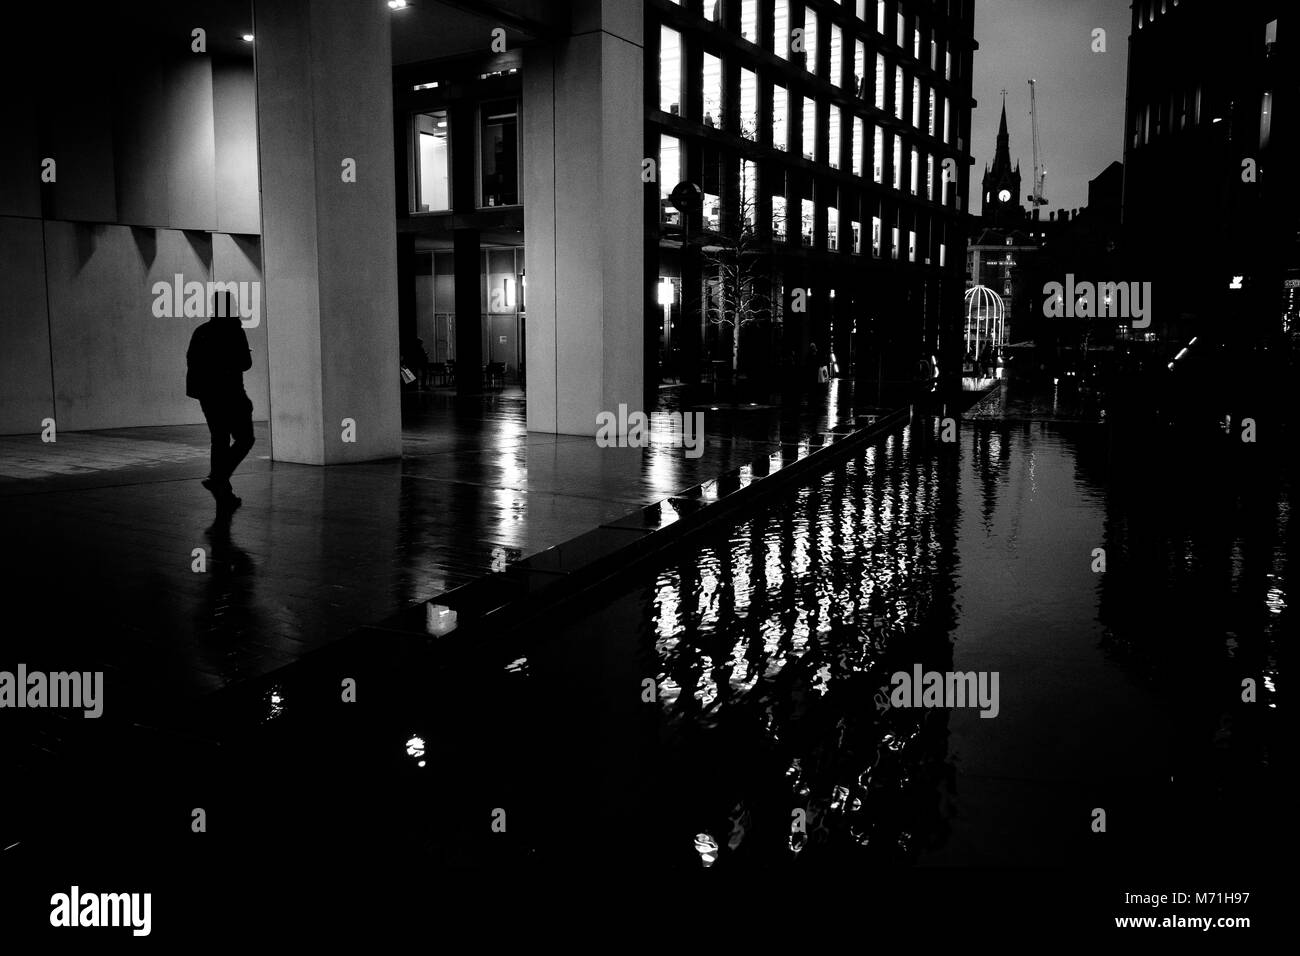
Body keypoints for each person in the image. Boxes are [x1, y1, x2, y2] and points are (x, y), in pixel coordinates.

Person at [186, 292, 254, 508]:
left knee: (220, 439)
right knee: (245, 439)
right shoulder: (235, 331)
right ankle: (219, 478)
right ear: (232, 307)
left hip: (209, 396)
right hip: (232, 394)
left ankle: (223, 493)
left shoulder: (202, 332)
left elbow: (192, 362)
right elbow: (245, 363)